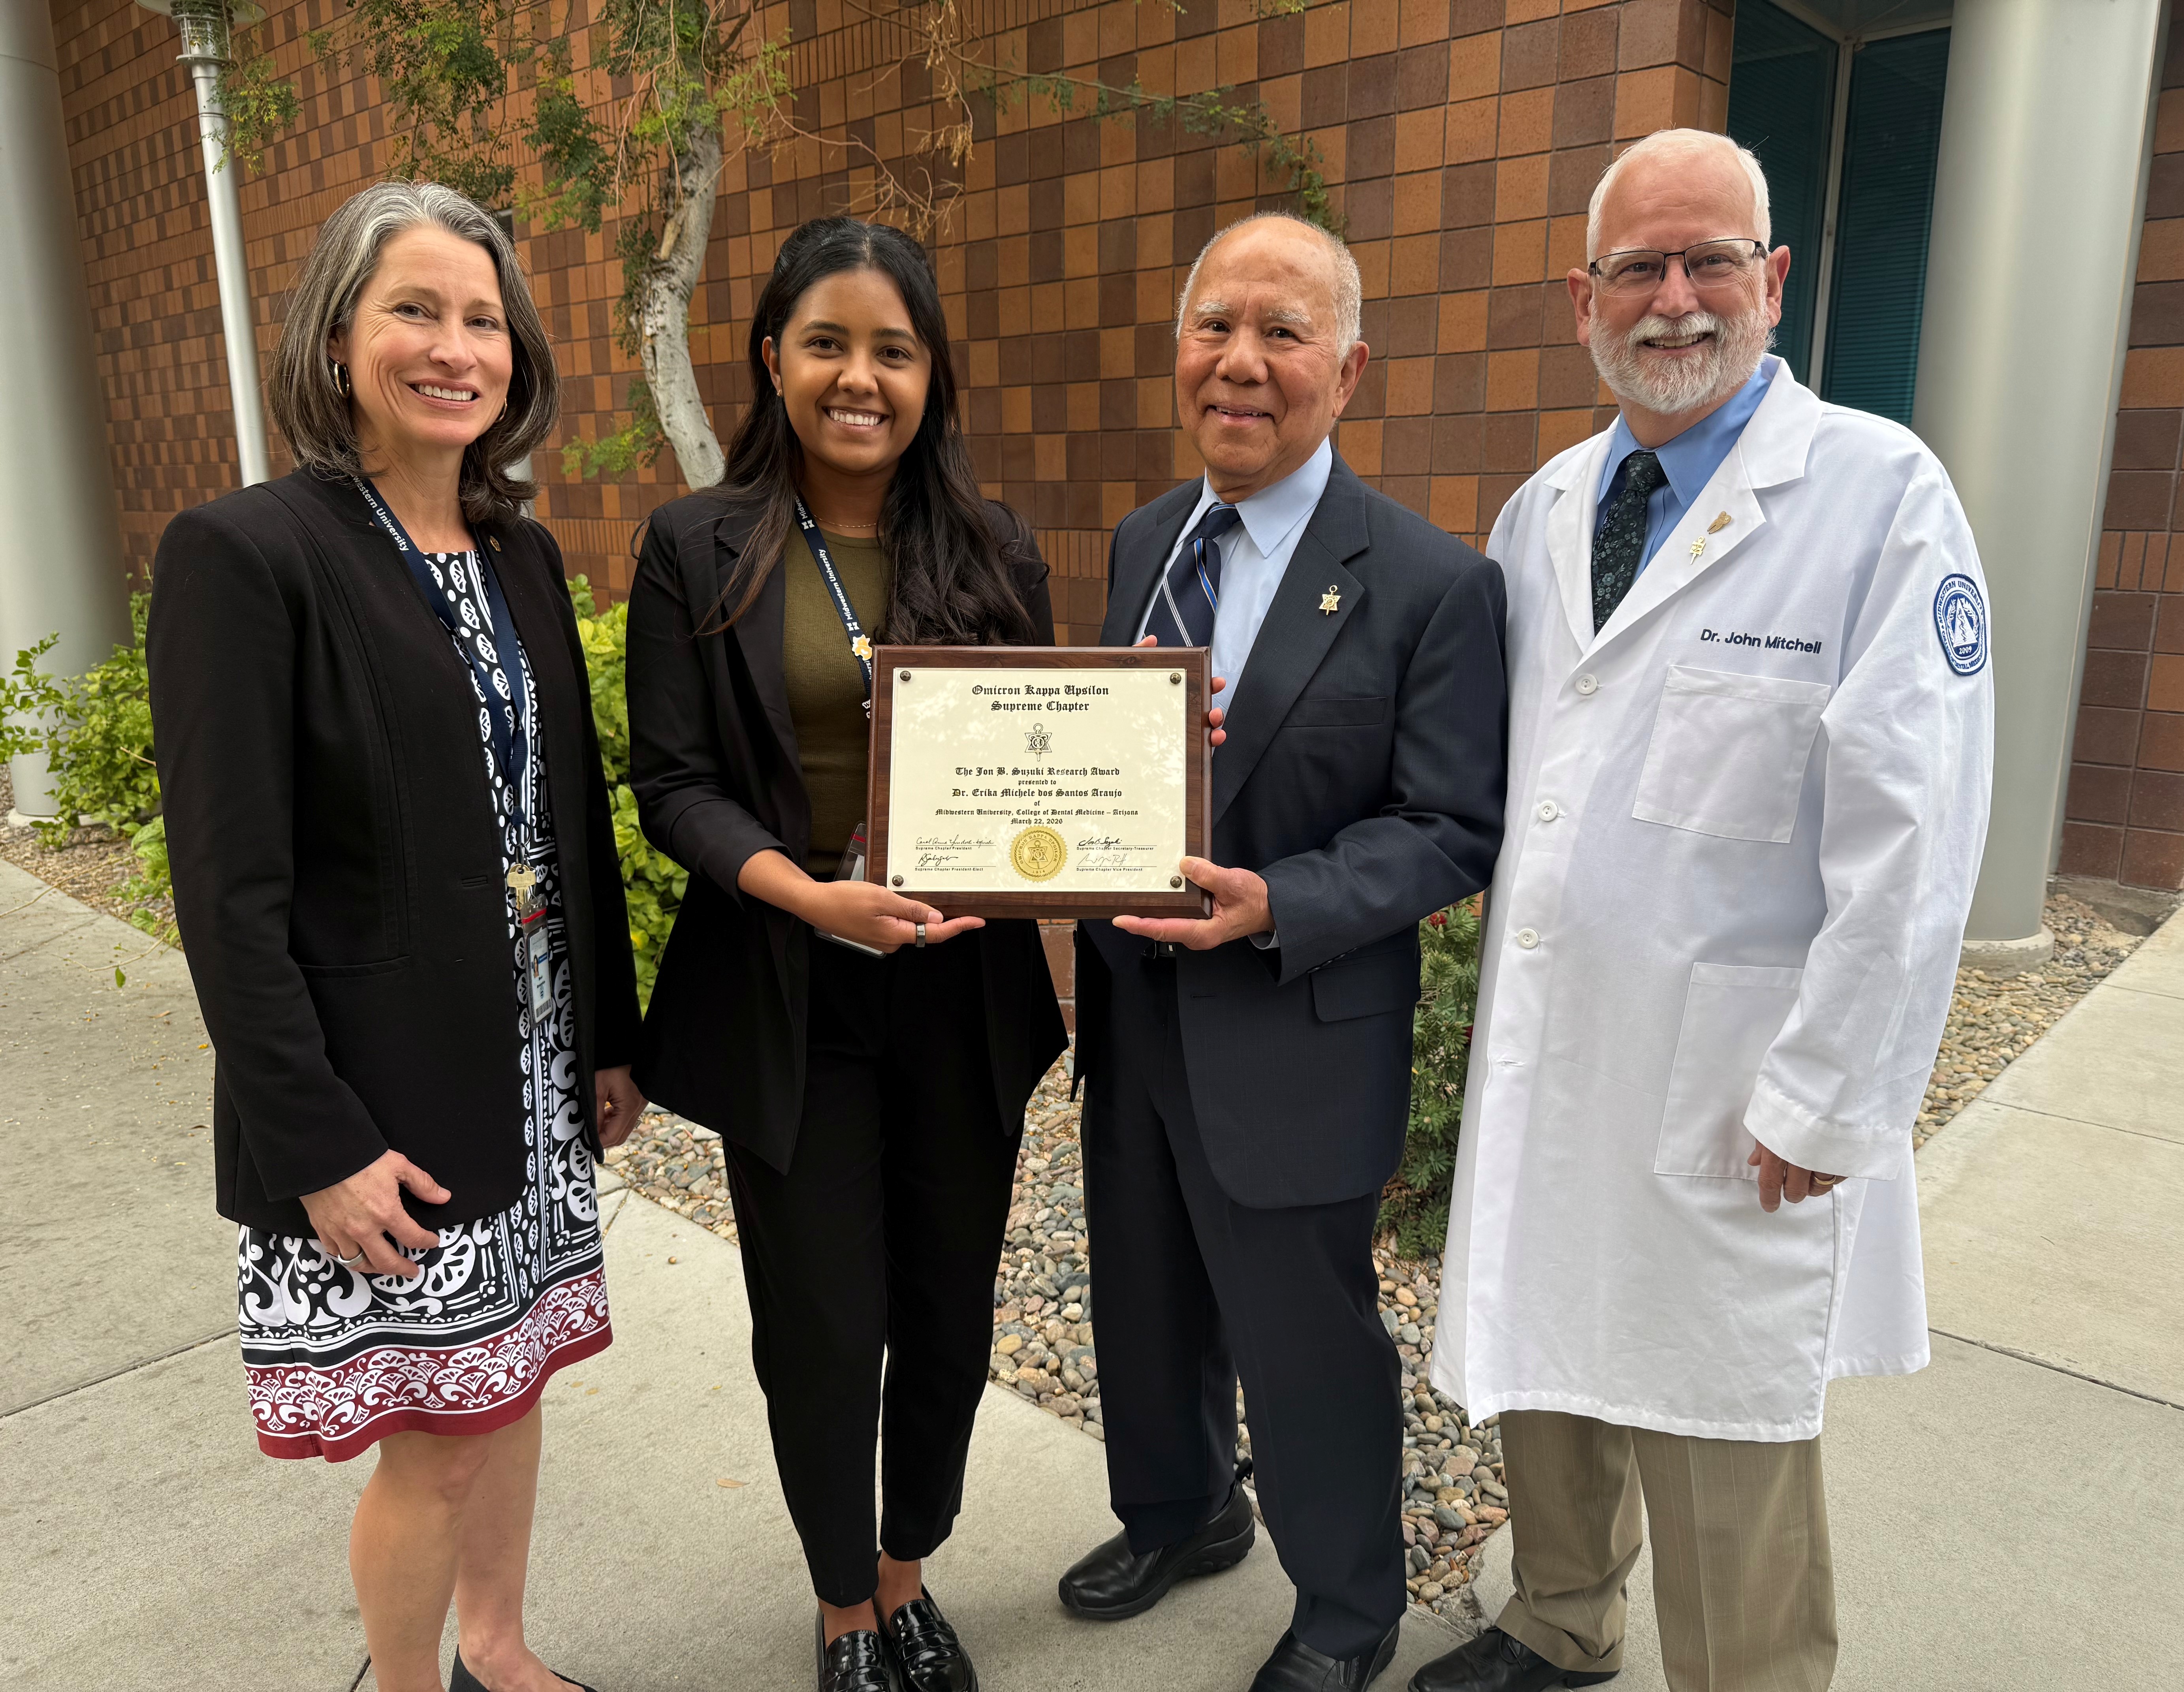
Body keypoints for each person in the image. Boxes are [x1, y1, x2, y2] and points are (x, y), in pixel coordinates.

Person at [1415, 129, 1995, 1692]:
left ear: (1774, 279)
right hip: (1559, 1049)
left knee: (1724, 1424)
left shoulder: (1879, 497)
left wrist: (1830, 1096)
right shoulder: (1545, 506)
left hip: (1741, 1083)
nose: (1674, 301)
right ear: (1583, 298)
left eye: (1709, 261)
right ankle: (1560, 1620)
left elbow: (1919, 836)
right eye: (1637, 269)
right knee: (1552, 1367)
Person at [147, 181, 646, 1692]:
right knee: (434, 1441)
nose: (454, 347)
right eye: (414, 311)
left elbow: (566, 818)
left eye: (482, 318)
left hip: (533, 1073)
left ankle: (495, 1647)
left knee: (516, 1378)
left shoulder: (520, 556)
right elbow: (228, 896)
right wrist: (315, 1139)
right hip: (381, 1102)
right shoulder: (248, 555)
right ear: (340, 337)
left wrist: (608, 1041)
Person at [1057, 211, 1510, 1692]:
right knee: (1142, 1287)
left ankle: (1346, 1603)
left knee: (1305, 1336)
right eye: (1213, 328)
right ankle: (1184, 1511)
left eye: (1284, 332)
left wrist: (1283, 900)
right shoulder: (1143, 541)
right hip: (1136, 1014)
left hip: (1295, 1018)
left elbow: (1451, 823)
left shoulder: (1431, 582)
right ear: (1176, 352)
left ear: (1350, 369)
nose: (1240, 364)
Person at [624, 217, 1070, 1692]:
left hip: (961, 992)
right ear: (772, 357)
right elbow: (674, 783)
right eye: (827, 343)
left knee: (947, 1306)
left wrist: (1144, 768)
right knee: (823, 1322)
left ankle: (907, 1573)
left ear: (933, 373)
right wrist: (808, 898)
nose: (859, 377)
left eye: (894, 348)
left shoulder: (993, 544)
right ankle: (839, 1607)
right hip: (790, 989)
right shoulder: (698, 542)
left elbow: (1048, 754)